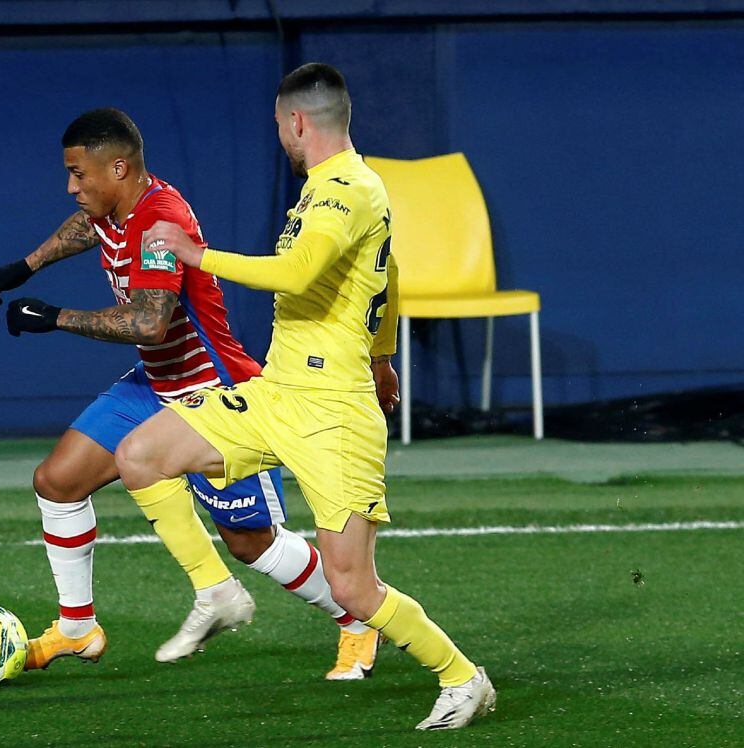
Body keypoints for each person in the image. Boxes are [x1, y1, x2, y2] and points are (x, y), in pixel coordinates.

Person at [119, 65, 495, 730]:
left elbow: (294, 273)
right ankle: (217, 590)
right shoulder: (330, 189)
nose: (279, 137)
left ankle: (462, 677)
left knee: (353, 586)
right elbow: (390, 274)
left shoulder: (346, 190)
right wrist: (382, 356)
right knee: (142, 454)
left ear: (297, 121)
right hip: (279, 393)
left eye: (278, 125)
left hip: (332, 415)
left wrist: (193, 253)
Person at [0, 108, 382, 678]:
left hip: (216, 389)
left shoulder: (161, 219)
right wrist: (25, 266)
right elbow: (86, 228)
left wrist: (56, 317)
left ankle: (356, 619)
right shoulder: (112, 207)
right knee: (58, 481)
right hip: (154, 383)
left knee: (250, 542)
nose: (71, 187)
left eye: (78, 174)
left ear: (117, 168)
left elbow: (149, 324)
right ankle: (77, 628)